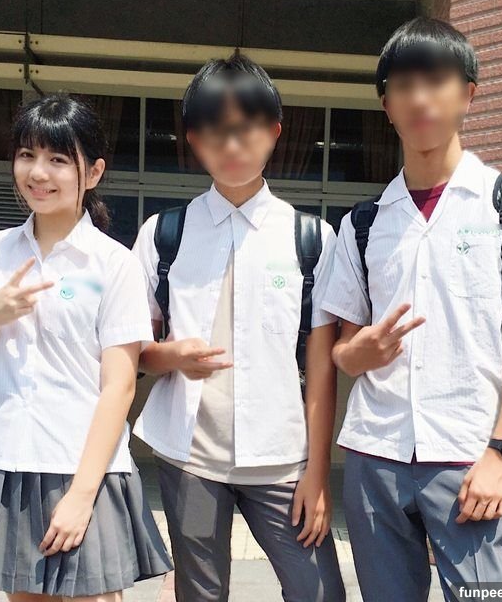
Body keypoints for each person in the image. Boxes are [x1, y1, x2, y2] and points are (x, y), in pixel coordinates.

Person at [322, 16, 502, 602]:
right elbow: (344, 352)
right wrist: (361, 352)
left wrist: (501, 453)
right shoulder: (363, 223)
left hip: (471, 453)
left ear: (468, 94)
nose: (420, 98)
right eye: (404, 86)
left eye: (436, 81)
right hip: (375, 455)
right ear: (387, 105)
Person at [132, 54, 346, 602]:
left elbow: (321, 369)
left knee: (319, 591)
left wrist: (317, 473)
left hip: (282, 458)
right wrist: (173, 357)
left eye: (246, 128)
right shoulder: (163, 235)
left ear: (274, 132)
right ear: (192, 139)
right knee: (201, 595)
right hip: (190, 456)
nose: (231, 145)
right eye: (213, 130)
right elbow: (134, 352)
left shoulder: (310, 239)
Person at [0, 93, 172, 601]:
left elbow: (118, 386)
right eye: (27, 155)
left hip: (84, 463)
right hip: (6, 457)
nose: (38, 172)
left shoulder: (112, 263)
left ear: (93, 172)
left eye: (58, 159)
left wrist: (82, 495)